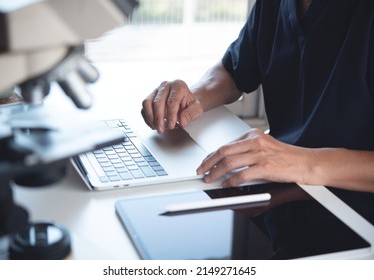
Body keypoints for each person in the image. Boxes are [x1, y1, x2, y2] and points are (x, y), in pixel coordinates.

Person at [141, 0, 374, 194]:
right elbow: (235, 69)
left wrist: (303, 162)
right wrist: (193, 97)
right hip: (283, 185)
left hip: (351, 202)